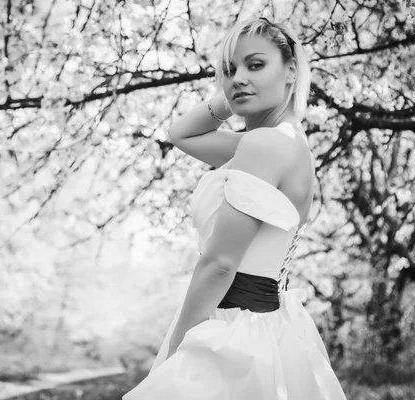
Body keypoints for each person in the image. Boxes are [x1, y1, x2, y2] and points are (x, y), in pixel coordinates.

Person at [123, 17, 348, 400]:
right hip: (265, 324)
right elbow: (181, 134)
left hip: (232, 329)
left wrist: (175, 353)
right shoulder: (283, 143)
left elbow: (221, 263)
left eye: (255, 65)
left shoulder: (265, 147)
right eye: (229, 70)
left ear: (291, 70)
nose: (238, 77)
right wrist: (238, 91)